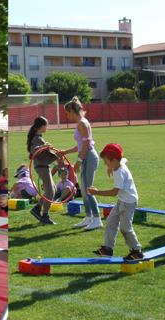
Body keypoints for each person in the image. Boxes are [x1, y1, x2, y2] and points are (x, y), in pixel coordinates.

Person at [89, 143, 143, 260]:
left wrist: (97, 192)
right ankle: (108, 249)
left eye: (106, 162)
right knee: (111, 221)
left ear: (113, 160)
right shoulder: (118, 163)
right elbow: (123, 159)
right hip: (122, 200)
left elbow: (114, 192)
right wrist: (110, 167)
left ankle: (137, 251)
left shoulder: (120, 173)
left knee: (125, 228)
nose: (105, 164)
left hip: (129, 202)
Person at [62, 97, 102, 230]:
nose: (67, 116)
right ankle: (89, 217)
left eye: (67, 113)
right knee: (85, 191)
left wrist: (78, 161)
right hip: (86, 156)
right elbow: (80, 145)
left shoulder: (82, 123)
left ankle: (97, 219)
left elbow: (86, 144)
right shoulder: (81, 123)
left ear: (72, 111)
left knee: (87, 189)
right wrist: (65, 151)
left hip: (88, 157)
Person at [27, 116, 59, 224]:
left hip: (44, 166)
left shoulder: (38, 137)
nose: (47, 127)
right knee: (50, 191)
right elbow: (34, 151)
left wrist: (46, 147)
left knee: (52, 190)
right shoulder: (36, 138)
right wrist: (44, 146)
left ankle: (37, 209)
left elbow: (40, 150)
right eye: (46, 125)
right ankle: (45, 216)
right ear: (40, 126)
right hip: (41, 167)